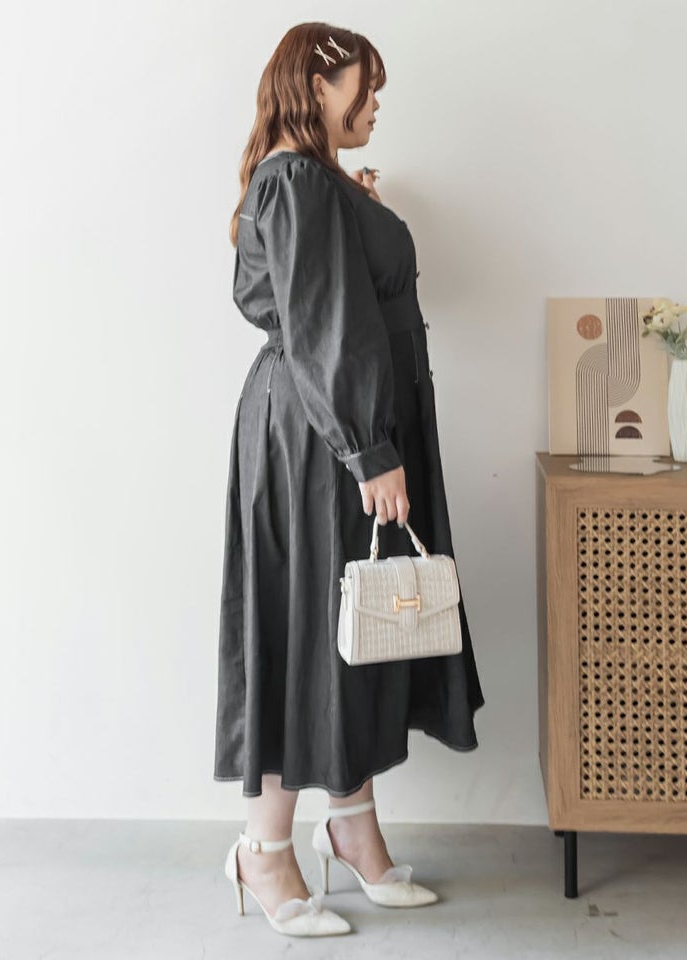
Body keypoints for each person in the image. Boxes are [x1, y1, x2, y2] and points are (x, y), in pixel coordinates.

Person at [214, 21, 485, 937]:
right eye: (365, 87)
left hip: (332, 426)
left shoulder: (315, 180)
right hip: (321, 436)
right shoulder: (295, 179)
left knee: (353, 630)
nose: (374, 104)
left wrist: (357, 212)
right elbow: (323, 321)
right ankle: (263, 850)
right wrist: (369, 448)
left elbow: (334, 295)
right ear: (319, 85)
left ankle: (353, 829)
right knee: (307, 627)